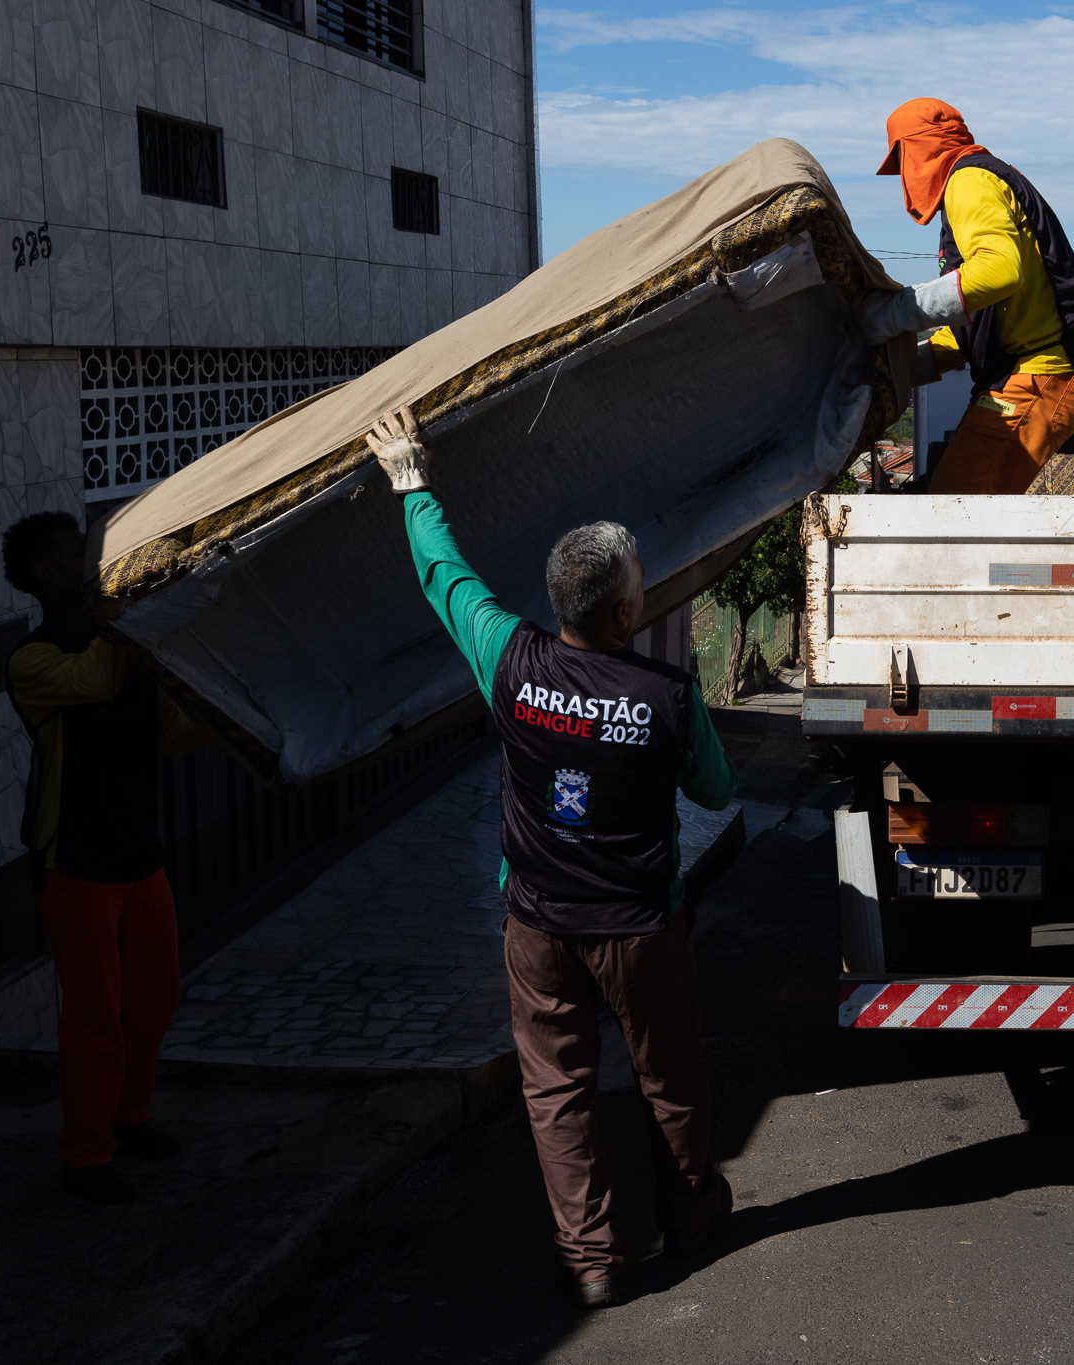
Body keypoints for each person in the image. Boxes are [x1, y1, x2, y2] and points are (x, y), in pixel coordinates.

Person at [363, 406, 739, 1309]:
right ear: (622, 608)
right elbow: (719, 794)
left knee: (557, 1091)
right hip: (642, 926)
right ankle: (688, 1216)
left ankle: (594, 1259)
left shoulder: (509, 657)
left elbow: (445, 578)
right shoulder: (669, 697)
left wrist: (412, 481)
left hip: (536, 923)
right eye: (641, 581)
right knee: (669, 1078)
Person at [1, 510, 210, 1205]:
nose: (87, 559)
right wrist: (131, 614)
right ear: (41, 573)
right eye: (72, 551)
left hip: (136, 854)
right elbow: (93, 678)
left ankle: (130, 1116)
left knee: (153, 1001)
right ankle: (85, 1153)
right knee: (95, 1013)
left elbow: (172, 732)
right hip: (75, 864)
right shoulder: (33, 659)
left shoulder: (124, 645)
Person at [857, 97, 1074, 494]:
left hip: (1048, 367)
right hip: (1028, 369)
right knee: (960, 494)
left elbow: (997, 272)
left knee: (959, 497)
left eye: (901, 160)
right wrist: (898, 366)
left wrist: (892, 314)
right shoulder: (977, 182)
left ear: (915, 148)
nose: (904, 175)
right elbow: (970, 325)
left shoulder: (970, 180)